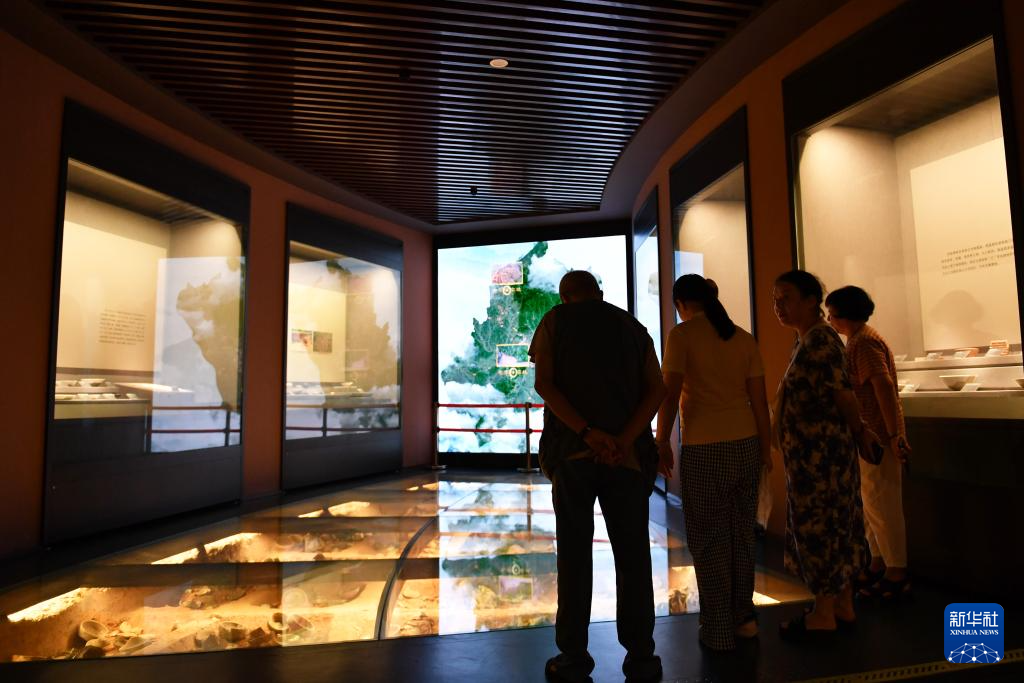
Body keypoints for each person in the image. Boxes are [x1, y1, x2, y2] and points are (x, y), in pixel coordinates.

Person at [530, 270, 666, 683]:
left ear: (564, 297)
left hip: (572, 455)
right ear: (600, 294)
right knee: (633, 556)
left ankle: (573, 655)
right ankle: (641, 654)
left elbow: (544, 385)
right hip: (627, 460)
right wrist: (622, 440)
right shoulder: (632, 327)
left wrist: (587, 432)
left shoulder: (554, 322)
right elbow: (656, 389)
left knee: (573, 555)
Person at [655, 275, 772, 651]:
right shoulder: (743, 338)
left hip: (705, 447)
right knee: (741, 536)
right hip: (746, 444)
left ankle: (719, 628)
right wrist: (765, 450)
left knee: (708, 538)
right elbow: (759, 401)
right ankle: (745, 620)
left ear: (681, 304)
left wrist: (661, 440)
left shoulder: (682, 336)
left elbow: (670, 393)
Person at [771, 270, 878, 639]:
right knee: (835, 524)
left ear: (811, 300)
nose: (778, 305)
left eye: (786, 297)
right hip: (811, 457)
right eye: (775, 299)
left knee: (821, 527)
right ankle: (842, 603)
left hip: (821, 459)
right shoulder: (807, 340)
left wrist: (860, 432)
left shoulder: (820, 341)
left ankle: (823, 612)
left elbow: (842, 394)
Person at [825, 285, 912, 600]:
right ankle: (878, 563)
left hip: (877, 437)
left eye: (832, 314)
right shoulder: (859, 340)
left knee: (883, 505)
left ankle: (896, 572)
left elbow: (883, 387)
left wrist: (893, 435)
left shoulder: (863, 343)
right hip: (871, 436)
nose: (830, 320)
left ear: (845, 315)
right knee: (872, 506)